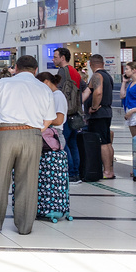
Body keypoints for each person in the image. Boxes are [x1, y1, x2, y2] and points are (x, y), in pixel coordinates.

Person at [0, 55, 56, 235]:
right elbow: (50, 118)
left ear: (16, 68)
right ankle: (25, 226)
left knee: (0, 181)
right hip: (33, 135)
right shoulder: (44, 89)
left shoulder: (5, 83)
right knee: (28, 181)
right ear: (35, 71)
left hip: (5, 134)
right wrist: (35, 131)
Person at [83, 54, 116, 179]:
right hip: (107, 112)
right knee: (107, 142)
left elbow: (98, 92)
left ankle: (107, 171)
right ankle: (110, 169)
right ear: (102, 63)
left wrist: (94, 107)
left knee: (102, 143)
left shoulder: (97, 76)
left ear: (91, 64)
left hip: (99, 114)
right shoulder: (108, 76)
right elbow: (87, 93)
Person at [52, 50, 82, 181]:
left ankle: (70, 172)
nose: (53, 60)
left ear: (62, 58)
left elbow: (59, 92)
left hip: (65, 113)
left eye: (55, 57)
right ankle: (76, 172)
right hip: (75, 113)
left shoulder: (63, 72)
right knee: (73, 143)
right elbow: (85, 90)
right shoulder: (75, 71)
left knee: (64, 143)